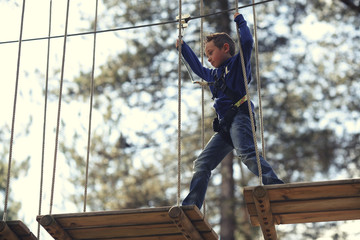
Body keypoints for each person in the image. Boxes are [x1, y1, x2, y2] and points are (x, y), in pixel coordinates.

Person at [176, 12, 284, 210]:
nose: (208, 58)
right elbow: (197, 69)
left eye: (210, 53)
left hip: (241, 117)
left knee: (247, 153)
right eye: (206, 54)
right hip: (226, 126)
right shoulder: (213, 74)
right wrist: (183, 48)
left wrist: (240, 21)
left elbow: (247, 43)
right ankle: (191, 205)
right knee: (202, 164)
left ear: (225, 48)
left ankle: (275, 186)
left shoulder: (237, 65)